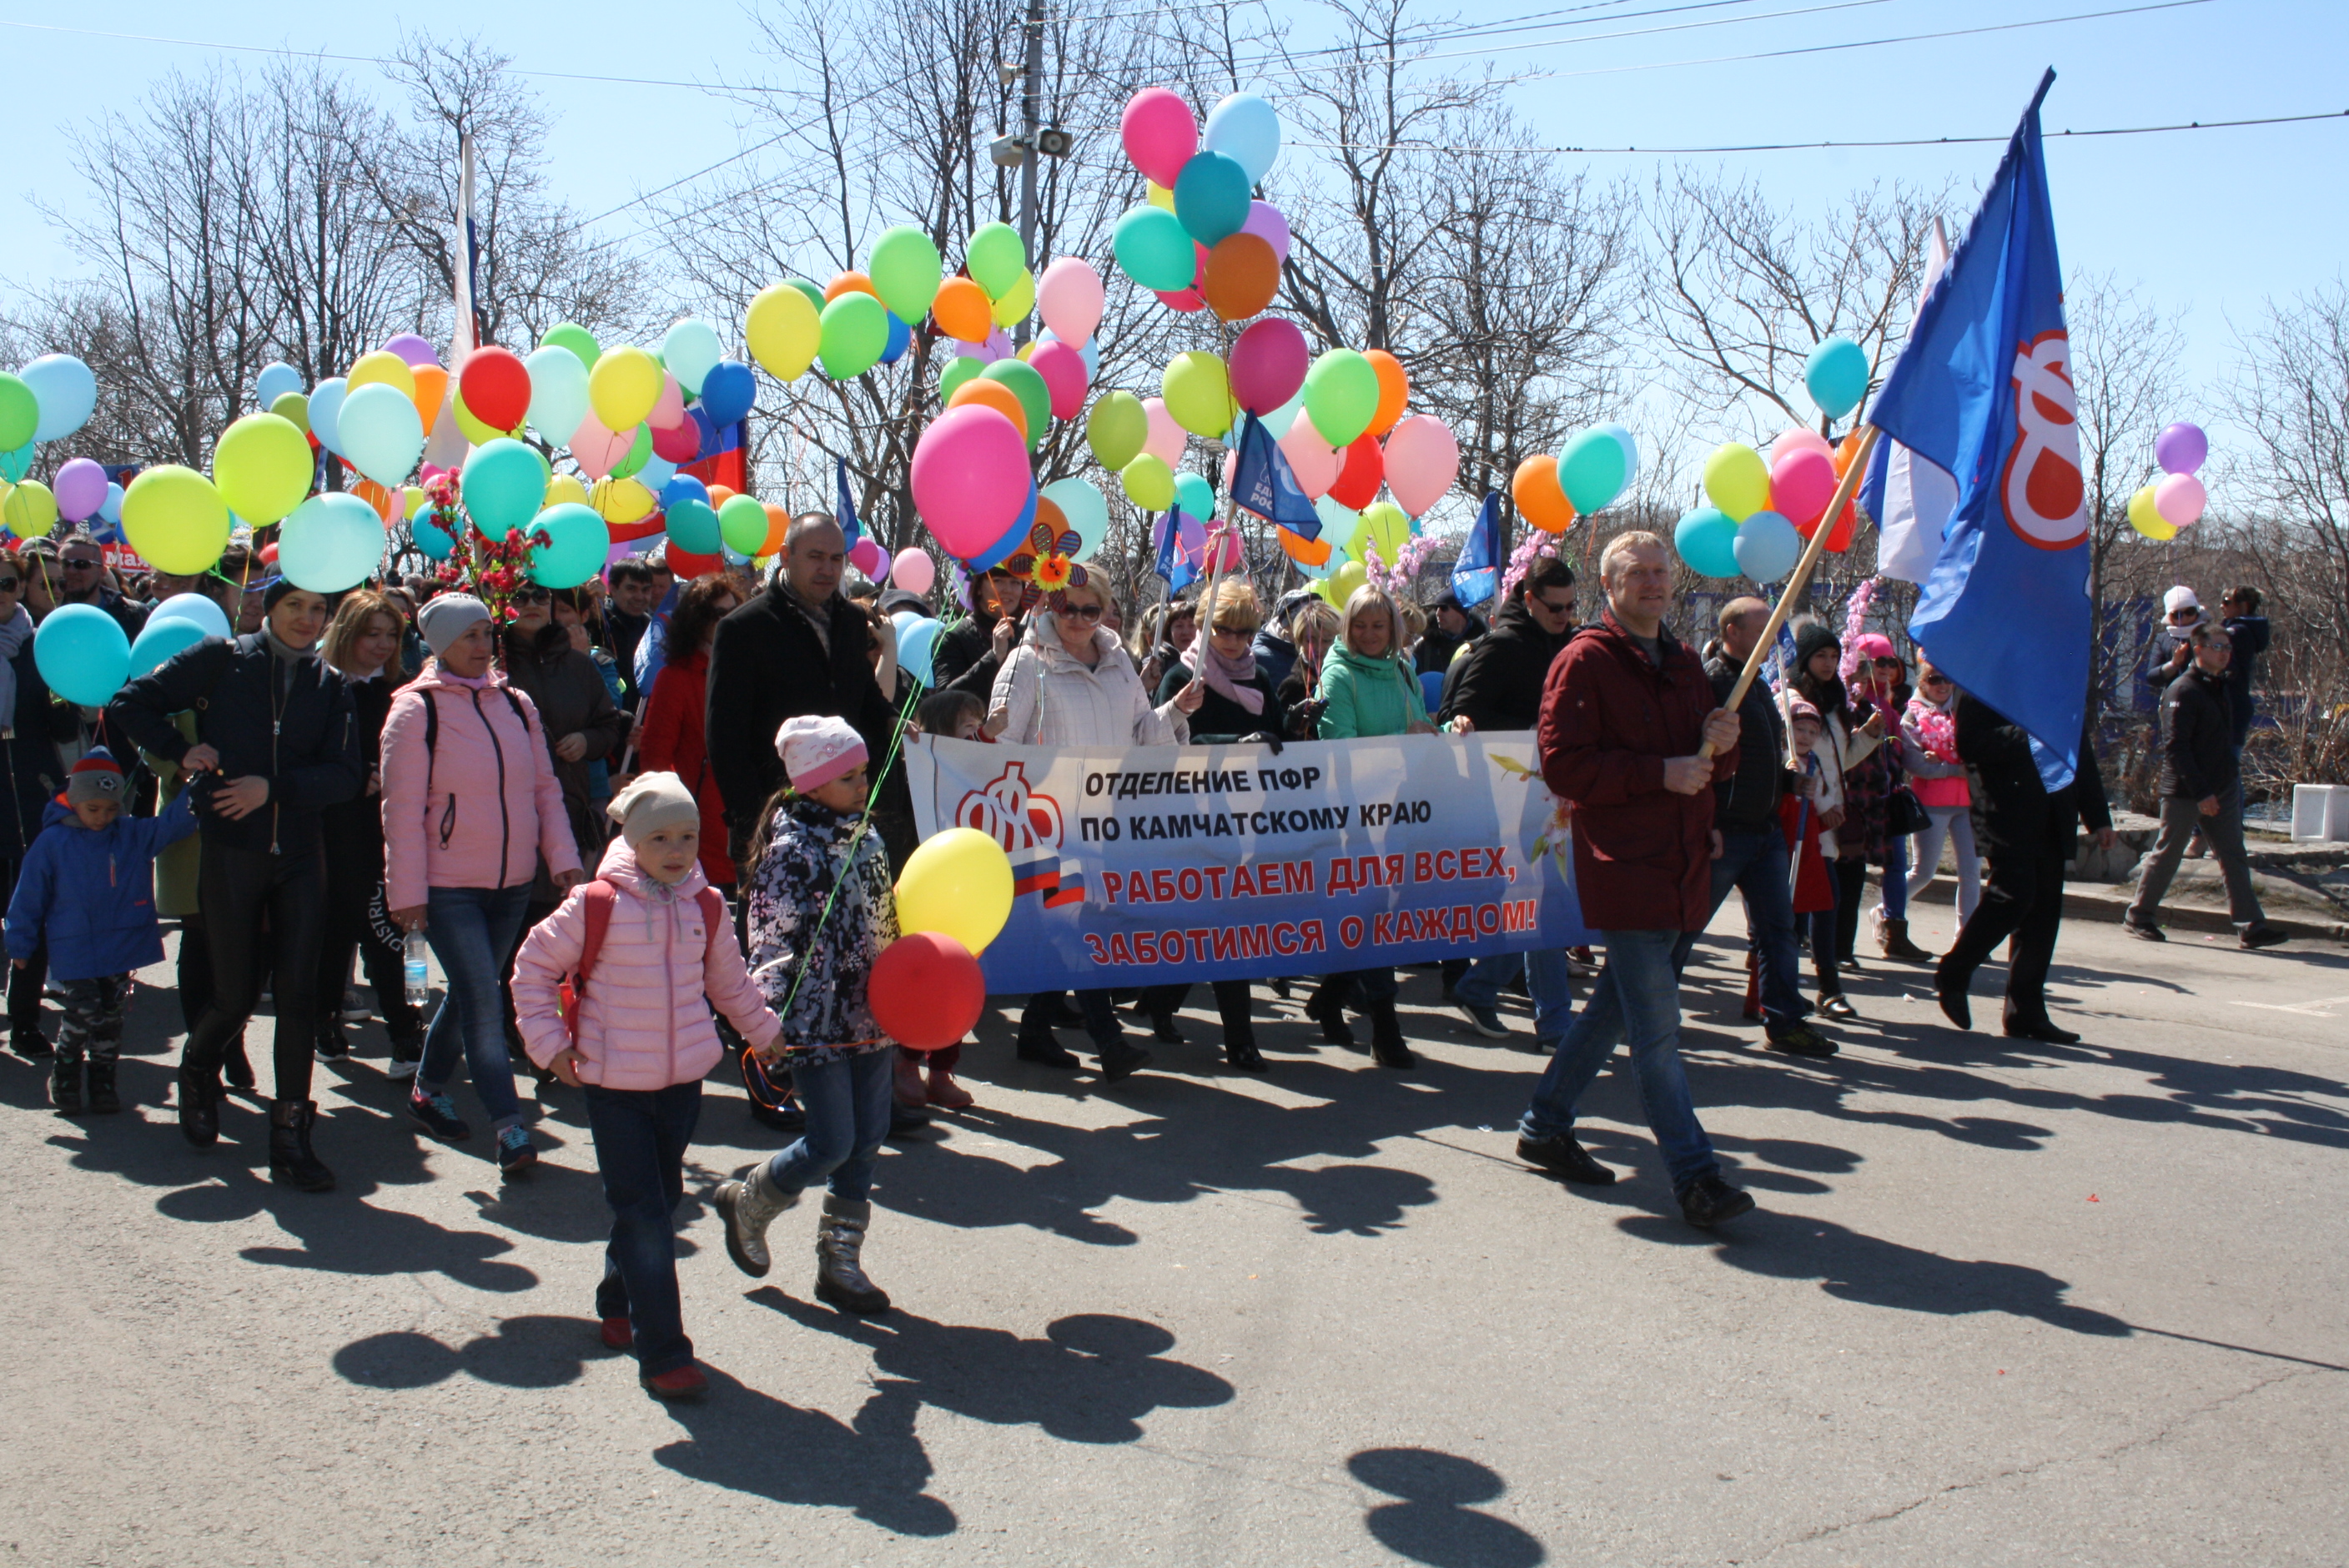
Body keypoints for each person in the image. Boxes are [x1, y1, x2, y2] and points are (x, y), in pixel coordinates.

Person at [513, 772, 782, 1403]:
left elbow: (730, 982)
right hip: (611, 1085)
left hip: (682, 1082)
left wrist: (764, 1032)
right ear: (631, 841)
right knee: (645, 1212)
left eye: (687, 835)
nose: (677, 849)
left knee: (655, 1200)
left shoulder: (706, 905)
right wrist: (550, 1049)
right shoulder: (595, 904)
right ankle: (664, 1351)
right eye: (660, 836)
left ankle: (616, 1299)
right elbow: (532, 968)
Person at [1512, 531, 1754, 1228]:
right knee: (1657, 1032)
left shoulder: (1682, 661)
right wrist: (1660, 773)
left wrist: (1721, 751)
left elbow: (1700, 768)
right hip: (1624, 867)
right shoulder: (1582, 662)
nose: (1653, 583)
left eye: (1660, 572)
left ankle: (1545, 1122)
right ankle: (1696, 1176)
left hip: (1683, 869)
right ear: (1609, 583)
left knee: (1614, 1007)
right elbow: (1566, 768)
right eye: (1637, 574)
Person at [108, 580, 363, 1189]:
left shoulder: (332, 687)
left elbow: (346, 776)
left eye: (318, 610)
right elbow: (129, 703)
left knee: (298, 996)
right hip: (231, 853)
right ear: (268, 609)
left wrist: (271, 790)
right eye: (293, 607)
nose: (306, 619)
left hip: (301, 855)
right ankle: (196, 1071)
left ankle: (290, 1136)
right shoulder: (221, 658)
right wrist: (181, 748)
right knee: (234, 994)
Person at [380, 596, 583, 1174]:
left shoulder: (516, 704)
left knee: (476, 992)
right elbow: (401, 811)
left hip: (514, 880)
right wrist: (407, 893)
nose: (481, 645)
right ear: (439, 643)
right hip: (447, 887)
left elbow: (545, 788)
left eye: (485, 633)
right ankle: (510, 1126)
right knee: (486, 1001)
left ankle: (426, 1090)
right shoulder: (415, 711)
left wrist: (563, 859)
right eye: (467, 635)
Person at [715, 716, 904, 1314]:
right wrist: (768, 1018)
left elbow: (888, 916)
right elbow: (769, 936)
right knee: (830, 1142)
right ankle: (752, 1199)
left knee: (869, 1139)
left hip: (874, 1014)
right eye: (847, 777)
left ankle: (840, 1262)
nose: (861, 785)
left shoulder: (869, 838)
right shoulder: (789, 851)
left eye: (863, 773)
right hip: (813, 1018)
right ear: (810, 785)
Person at [988, 571, 1200, 1078]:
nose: (1079, 620)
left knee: (1078, 927)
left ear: (1105, 610)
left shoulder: (1118, 661)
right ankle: (1110, 1042)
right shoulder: (1026, 663)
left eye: (1090, 610)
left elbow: (1140, 731)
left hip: (1108, 818)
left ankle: (1036, 1030)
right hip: (1050, 820)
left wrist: (1174, 709)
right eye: (1068, 608)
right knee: (1078, 926)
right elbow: (1000, 748)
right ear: (1050, 608)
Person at [707, 514, 910, 875]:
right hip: (776, 823)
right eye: (816, 556)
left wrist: (893, 719)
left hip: (846, 817)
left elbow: (862, 693)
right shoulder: (742, 629)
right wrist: (756, 822)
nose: (827, 569)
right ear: (786, 556)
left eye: (836, 559)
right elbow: (725, 740)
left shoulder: (850, 621)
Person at [1136, 579, 1281, 1071]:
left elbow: (1277, 737)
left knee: (1207, 924)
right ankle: (1240, 1039)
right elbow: (1167, 743)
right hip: (1193, 817)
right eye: (1224, 630)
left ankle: (1159, 1000)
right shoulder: (1181, 675)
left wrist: (1295, 725)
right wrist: (1235, 742)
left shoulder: (1259, 678)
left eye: (1245, 632)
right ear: (1202, 624)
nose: (1236, 642)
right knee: (1223, 925)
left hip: (1251, 818)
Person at [1441, 556, 1582, 1050]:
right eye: (1554, 607)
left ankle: (1480, 986)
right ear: (1529, 600)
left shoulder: (1572, 644)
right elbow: (1461, 713)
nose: (1564, 615)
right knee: (1545, 901)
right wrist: (1529, 732)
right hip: (1507, 794)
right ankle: (1555, 1021)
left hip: (1557, 796)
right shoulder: (1501, 647)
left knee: (1545, 903)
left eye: (1569, 607)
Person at [5, 751, 198, 1113]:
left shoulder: (129, 834)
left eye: (110, 809)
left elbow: (171, 824)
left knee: (111, 1017)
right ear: (75, 802)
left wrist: (196, 789)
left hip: (119, 944)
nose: (102, 818)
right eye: (93, 809)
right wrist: (20, 943)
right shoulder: (52, 843)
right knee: (85, 1009)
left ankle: (103, 1082)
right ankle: (66, 1069)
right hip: (74, 947)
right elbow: (28, 897)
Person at [1305, 582, 1439, 1071]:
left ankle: (1329, 998)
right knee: (1375, 915)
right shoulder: (1337, 676)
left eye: (1377, 625)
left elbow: (1419, 725)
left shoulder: (1404, 669)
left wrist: (1447, 730)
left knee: (1378, 915)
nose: (1367, 634)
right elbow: (1338, 744)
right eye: (1358, 625)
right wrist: (1402, 739)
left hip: (1401, 811)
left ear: (1394, 630)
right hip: (1354, 817)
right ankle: (1386, 1027)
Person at [1934, 700, 2114, 1043]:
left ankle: (2025, 1012)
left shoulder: (2055, 686)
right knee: (2013, 895)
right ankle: (1954, 972)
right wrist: (2029, 736)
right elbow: (1971, 743)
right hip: (2005, 807)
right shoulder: (1984, 682)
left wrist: (2098, 815)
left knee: (2043, 912)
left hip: (2054, 809)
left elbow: (2079, 749)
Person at [1703, 598, 1834, 1055]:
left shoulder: (1757, 685)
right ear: (1732, 631)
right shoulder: (1713, 685)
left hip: (1765, 832)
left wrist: (1790, 780)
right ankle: (1641, 1013)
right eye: (1762, 628)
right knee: (1683, 929)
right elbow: (1705, 762)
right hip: (1724, 832)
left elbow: (1759, 760)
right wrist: (1709, 820)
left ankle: (1785, 1021)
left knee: (1780, 929)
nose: (1772, 639)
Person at [2124, 624, 2288, 949]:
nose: (2225, 653)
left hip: (2222, 785)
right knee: (2169, 852)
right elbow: (2176, 748)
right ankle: (2139, 915)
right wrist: (2201, 793)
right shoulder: (2182, 690)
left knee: (2233, 854)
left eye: (2228, 648)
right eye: (2218, 647)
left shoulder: (2220, 687)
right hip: (2187, 790)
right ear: (2197, 650)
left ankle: (2250, 925)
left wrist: (2224, 782)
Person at [314, 591, 425, 1068]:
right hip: (334, 827)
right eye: (371, 635)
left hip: (394, 828)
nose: (382, 645)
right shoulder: (319, 686)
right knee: (334, 932)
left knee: (394, 934)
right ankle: (325, 1024)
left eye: (391, 636)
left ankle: (406, 1030)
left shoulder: (405, 691)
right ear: (347, 634)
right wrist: (351, 776)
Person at [0, 555, 74, 1058]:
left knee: (35, 905)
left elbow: (65, 730)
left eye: (7, 583)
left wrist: (65, 693)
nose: (0, 592)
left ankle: (26, 1019)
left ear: (24, 586)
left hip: (33, 787)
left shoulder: (43, 645)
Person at [1787, 623, 1885, 981]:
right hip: (1800, 816)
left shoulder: (1834, 702)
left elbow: (1837, 762)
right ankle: (1809, 984)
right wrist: (1821, 806)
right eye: (1820, 656)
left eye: (1834, 656)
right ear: (1804, 659)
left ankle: (1817, 984)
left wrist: (1869, 736)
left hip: (1829, 821)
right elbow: (1796, 761)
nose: (1829, 664)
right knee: (1807, 904)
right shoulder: (1792, 699)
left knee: (1819, 902)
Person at [637, 575, 740, 895]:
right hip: (698, 824)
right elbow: (655, 759)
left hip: (747, 819)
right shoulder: (675, 678)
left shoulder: (750, 671)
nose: (729, 621)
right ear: (696, 621)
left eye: (734, 612)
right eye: (717, 614)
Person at [1849, 635, 1932, 962]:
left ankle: (1894, 934)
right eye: (1878, 662)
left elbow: (1903, 749)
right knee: (1847, 867)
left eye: (1891, 662)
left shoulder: (1889, 705)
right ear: (1862, 665)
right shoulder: (1851, 702)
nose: (1886, 669)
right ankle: (1830, 940)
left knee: (1896, 865)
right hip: (1857, 799)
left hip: (1887, 797)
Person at [1778, 700, 1846, 1015]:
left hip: (1810, 848)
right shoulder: (1779, 758)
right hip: (1780, 846)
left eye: (1811, 731)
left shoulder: (1814, 761)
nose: (1804, 736)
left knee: (1826, 903)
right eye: (1798, 729)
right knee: (1784, 923)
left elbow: (1821, 798)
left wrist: (1827, 807)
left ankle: (1829, 989)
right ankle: (1780, 991)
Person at [1901, 656, 1979, 923]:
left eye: (1947, 679)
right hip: (1931, 802)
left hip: (1966, 803)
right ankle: (1886, 911)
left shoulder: (1964, 710)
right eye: (1935, 679)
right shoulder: (1912, 714)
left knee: (1971, 873)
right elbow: (1916, 764)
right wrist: (1954, 769)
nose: (1943, 685)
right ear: (1923, 682)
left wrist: (1941, 760)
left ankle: (1966, 938)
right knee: (1923, 872)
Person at [57, 534, 150, 639]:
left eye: (82, 564)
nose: (71, 571)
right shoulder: (47, 611)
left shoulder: (133, 615)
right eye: (64, 564)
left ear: (102, 572)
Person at [603, 559, 658, 710]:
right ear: (613, 589)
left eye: (645, 590)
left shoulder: (653, 629)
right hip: (608, 721)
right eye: (631, 589)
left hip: (641, 722)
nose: (640, 597)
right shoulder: (599, 624)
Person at [2141, 585, 2204, 702]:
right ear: (2169, 616)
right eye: (2177, 615)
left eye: (2190, 612)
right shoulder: (2163, 638)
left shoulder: (2209, 634)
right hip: (2176, 700)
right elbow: (2152, 677)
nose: (2184, 618)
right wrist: (2173, 664)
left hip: (2207, 698)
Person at [1415, 591, 1486, 676]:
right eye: (1436, 608)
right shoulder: (1425, 645)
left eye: (1443, 608)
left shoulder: (1481, 646)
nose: (1438, 613)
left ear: (1460, 612)